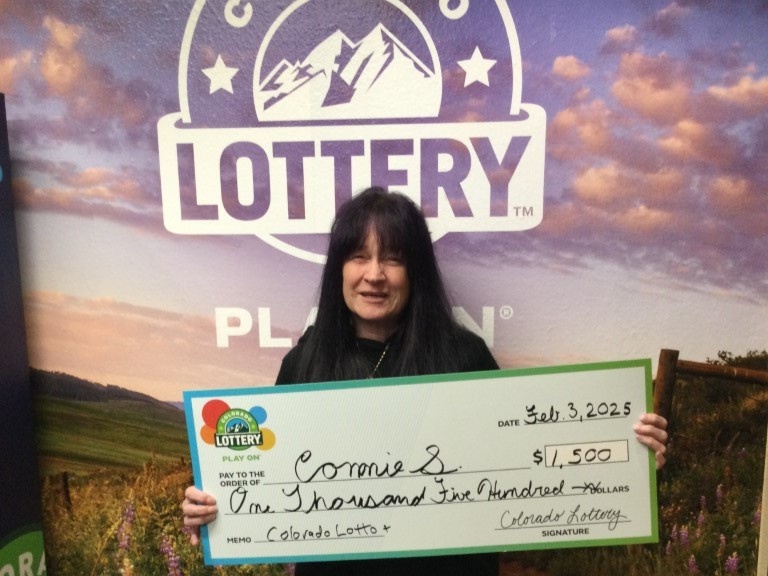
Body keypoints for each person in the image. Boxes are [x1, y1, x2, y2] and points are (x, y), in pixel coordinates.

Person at [183, 186, 669, 575]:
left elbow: (523, 463)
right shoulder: (304, 363)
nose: (374, 275)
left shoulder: (463, 354)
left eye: (393, 258)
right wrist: (211, 509)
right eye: (358, 256)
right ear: (338, 269)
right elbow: (265, 480)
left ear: (415, 271)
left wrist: (625, 458)